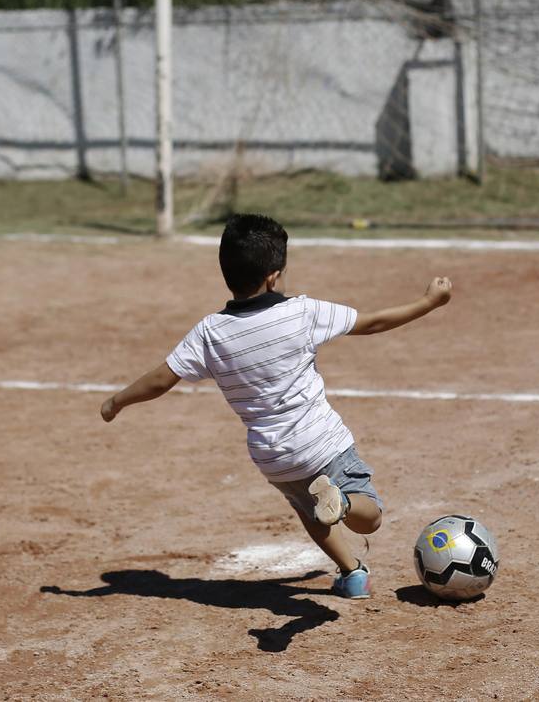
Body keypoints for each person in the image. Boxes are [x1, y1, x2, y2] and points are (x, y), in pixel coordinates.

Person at [99, 213, 452, 600]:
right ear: (273, 277)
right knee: (369, 516)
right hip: (321, 441)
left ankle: (352, 574)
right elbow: (373, 323)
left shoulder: (209, 332)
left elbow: (161, 379)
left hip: (273, 458)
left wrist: (117, 401)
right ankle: (347, 501)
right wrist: (428, 302)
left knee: (312, 510)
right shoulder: (300, 312)